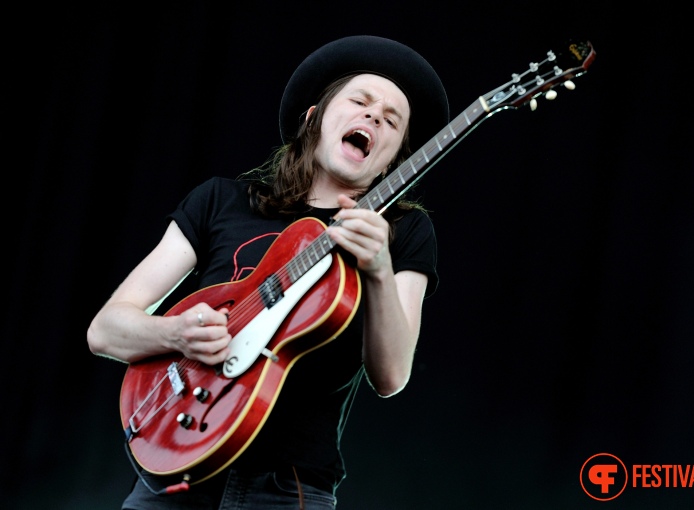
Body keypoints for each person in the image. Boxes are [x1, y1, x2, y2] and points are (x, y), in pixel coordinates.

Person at [87, 34, 449, 509]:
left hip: (288, 489)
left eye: (391, 120)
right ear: (313, 118)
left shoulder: (403, 232)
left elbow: (392, 375)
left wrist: (378, 269)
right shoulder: (221, 200)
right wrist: (177, 334)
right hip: (171, 476)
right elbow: (106, 330)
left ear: (394, 159)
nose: (374, 116)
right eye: (360, 101)